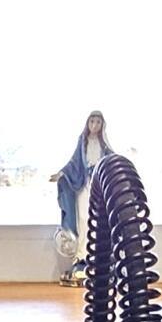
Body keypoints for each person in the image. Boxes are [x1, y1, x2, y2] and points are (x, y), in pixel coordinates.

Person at [53, 111, 109, 282]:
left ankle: (97, 257)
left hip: (98, 186)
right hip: (84, 185)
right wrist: (62, 174)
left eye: (98, 122)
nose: (94, 125)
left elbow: (111, 161)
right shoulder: (82, 142)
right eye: (92, 121)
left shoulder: (105, 146)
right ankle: (82, 256)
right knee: (84, 218)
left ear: (102, 125)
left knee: (98, 219)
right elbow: (74, 163)